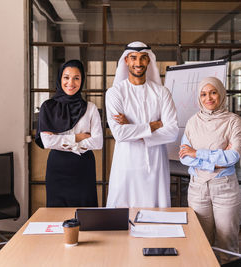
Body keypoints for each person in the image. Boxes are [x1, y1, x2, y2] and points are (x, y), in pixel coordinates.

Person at [179, 77, 241, 264]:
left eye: (213, 92)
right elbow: (185, 157)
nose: (209, 98)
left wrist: (197, 153)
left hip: (225, 189)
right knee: (200, 242)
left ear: (221, 94)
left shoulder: (233, 121)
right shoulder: (193, 122)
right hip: (198, 188)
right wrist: (216, 160)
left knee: (228, 246)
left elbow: (233, 157)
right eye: (204, 94)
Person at [106, 41, 179, 208]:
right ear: (126, 61)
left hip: (155, 165)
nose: (138, 63)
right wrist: (152, 126)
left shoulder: (161, 92)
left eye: (142, 58)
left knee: (157, 216)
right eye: (133, 58)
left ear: (149, 61)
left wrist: (132, 128)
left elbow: (172, 131)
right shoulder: (115, 93)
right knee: (122, 218)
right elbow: (119, 134)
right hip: (126, 165)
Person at [35, 59, 103, 207]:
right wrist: (77, 137)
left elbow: (97, 142)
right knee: (57, 216)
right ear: (60, 79)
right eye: (66, 77)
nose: (70, 83)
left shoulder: (90, 108)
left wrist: (60, 140)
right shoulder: (48, 107)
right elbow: (47, 141)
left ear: (82, 80)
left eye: (76, 78)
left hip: (84, 168)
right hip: (58, 168)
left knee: (85, 216)